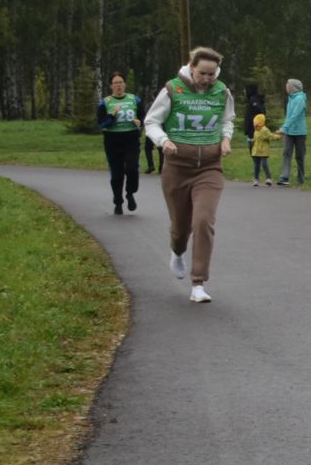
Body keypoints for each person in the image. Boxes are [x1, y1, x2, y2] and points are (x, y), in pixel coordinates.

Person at [144, 48, 234, 304]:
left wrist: (225, 139)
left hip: (209, 167)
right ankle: (177, 250)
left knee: (203, 220)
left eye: (212, 74)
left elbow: (227, 120)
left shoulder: (221, 91)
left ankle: (198, 283)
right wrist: (164, 141)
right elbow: (151, 122)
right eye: (203, 73)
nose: (207, 79)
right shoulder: (173, 89)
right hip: (177, 167)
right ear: (191, 68)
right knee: (181, 227)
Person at [97, 73, 143, 215]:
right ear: (111, 86)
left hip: (131, 138)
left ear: (124, 84)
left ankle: (130, 193)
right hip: (112, 140)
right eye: (115, 83)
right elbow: (101, 124)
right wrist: (111, 115)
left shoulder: (135, 99)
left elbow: (144, 117)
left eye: (121, 82)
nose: (118, 85)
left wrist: (139, 122)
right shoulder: (105, 102)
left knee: (132, 168)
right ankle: (118, 201)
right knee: (116, 174)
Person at [276, 78, 308, 186]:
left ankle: (301, 178)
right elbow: (288, 117)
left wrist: (283, 128)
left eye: (288, 84)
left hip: (300, 132)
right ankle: (284, 177)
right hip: (289, 132)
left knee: (300, 155)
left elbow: (295, 116)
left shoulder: (300, 99)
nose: (286, 86)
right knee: (286, 153)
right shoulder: (290, 98)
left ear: (293, 87)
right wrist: (284, 129)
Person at [248, 112, 281, 185]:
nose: (254, 124)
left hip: (263, 151)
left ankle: (268, 178)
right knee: (256, 165)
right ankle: (256, 179)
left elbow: (271, 136)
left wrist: (279, 136)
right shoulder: (256, 131)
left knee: (264, 164)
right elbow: (255, 139)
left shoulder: (265, 130)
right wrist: (252, 141)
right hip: (256, 151)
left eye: (256, 122)